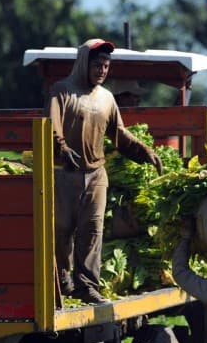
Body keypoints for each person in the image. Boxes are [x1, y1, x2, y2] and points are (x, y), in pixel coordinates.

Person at [46, 38, 163, 304]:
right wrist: (62, 148)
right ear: (84, 63)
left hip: (96, 174)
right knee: (62, 230)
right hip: (64, 173)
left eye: (107, 66)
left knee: (92, 230)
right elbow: (51, 126)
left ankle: (87, 286)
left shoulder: (107, 99)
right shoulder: (62, 92)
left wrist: (145, 152)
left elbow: (119, 135)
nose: (102, 70)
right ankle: (63, 280)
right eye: (97, 64)